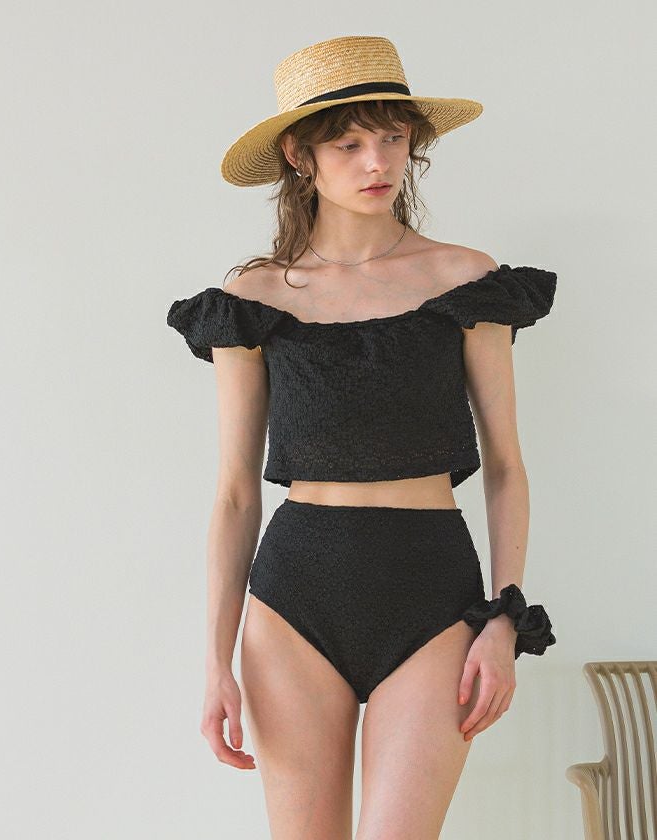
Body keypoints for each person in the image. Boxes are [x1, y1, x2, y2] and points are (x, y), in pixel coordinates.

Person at [167, 34, 557, 840]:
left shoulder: (467, 281)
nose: (377, 162)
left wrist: (504, 616)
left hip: (434, 591)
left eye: (392, 137)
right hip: (295, 595)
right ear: (299, 155)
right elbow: (235, 492)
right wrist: (214, 663)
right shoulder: (252, 299)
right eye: (348, 144)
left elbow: (506, 466)